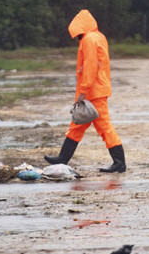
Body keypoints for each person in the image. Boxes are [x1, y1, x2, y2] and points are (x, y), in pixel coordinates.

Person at [44, 9, 126, 173]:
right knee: (77, 125)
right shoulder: (99, 37)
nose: (77, 38)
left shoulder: (89, 40)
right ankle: (62, 159)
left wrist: (83, 90)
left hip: (93, 92)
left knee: (104, 128)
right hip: (96, 89)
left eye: (77, 35)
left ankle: (119, 163)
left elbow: (90, 66)